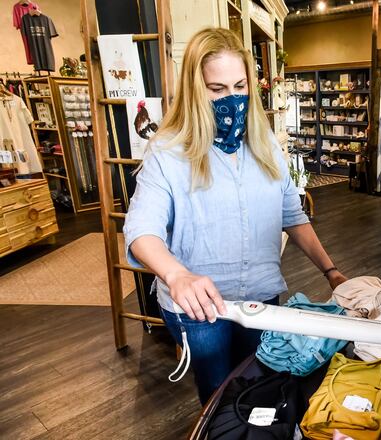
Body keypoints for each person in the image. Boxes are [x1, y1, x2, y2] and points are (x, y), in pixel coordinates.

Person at [124, 28, 347, 404]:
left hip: (261, 296)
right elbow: (141, 230)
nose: (233, 99)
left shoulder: (267, 147)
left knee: (258, 386)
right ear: (196, 89)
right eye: (217, 89)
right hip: (198, 308)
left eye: (240, 86)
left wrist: (331, 272)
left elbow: (292, 215)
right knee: (218, 392)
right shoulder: (168, 152)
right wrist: (178, 275)